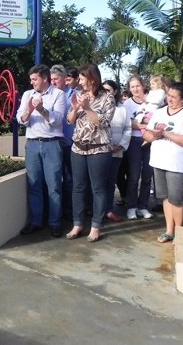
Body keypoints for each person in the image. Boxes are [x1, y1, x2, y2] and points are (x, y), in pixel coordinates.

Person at [143, 82, 183, 243]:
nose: (170, 99)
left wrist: (165, 134)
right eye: (169, 96)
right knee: (166, 198)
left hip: (178, 164)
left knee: (177, 199)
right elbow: (146, 135)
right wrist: (154, 135)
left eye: (174, 97)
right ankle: (169, 230)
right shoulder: (160, 112)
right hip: (159, 161)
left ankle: (179, 231)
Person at [65, 65, 115, 242]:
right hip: (78, 148)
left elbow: (102, 122)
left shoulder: (107, 97)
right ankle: (77, 224)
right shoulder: (80, 94)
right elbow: (70, 121)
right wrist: (74, 108)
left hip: (99, 150)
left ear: (92, 78)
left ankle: (96, 226)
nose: (80, 81)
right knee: (78, 187)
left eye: (82, 77)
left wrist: (86, 108)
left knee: (98, 189)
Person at [16, 64, 66, 237]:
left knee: (54, 185)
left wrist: (42, 110)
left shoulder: (58, 94)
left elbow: (57, 121)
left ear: (45, 78)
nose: (32, 83)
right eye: (31, 80)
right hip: (32, 144)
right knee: (34, 184)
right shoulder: (27, 95)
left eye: (35, 79)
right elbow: (21, 119)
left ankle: (55, 222)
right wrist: (30, 110)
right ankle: (36, 221)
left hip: (52, 144)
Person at [123, 75, 154, 220]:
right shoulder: (127, 104)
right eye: (132, 86)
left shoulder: (152, 101)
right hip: (134, 141)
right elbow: (130, 123)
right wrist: (146, 125)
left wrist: (144, 125)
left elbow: (158, 119)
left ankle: (143, 206)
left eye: (137, 85)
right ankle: (131, 206)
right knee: (134, 176)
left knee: (147, 175)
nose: (135, 89)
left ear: (143, 86)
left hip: (151, 141)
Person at [102, 80, 131, 222]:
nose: (107, 92)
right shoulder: (98, 106)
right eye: (104, 90)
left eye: (109, 90)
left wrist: (120, 145)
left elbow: (128, 129)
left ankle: (108, 209)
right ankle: (97, 210)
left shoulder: (122, 109)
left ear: (115, 91)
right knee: (98, 182)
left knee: (111, 181)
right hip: (100, 151)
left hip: (117, 151)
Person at [50, 64, 75, 219]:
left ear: (65, 79)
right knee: (54, 179)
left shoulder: (75, 95)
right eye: (51, 79)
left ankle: (70, 211)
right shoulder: (49, 95)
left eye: (56, 79)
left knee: (71, 179)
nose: (53, 82)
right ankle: (56, 211)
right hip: (54, 143)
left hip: (71, 144)